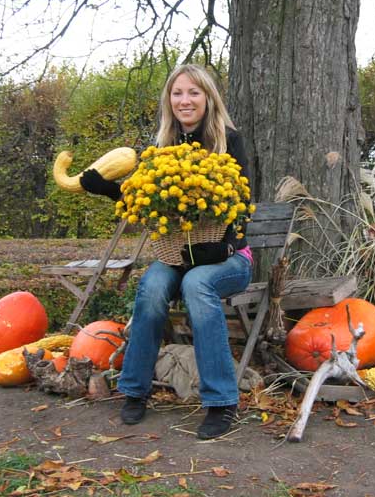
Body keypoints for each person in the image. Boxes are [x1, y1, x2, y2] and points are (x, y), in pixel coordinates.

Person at [79, 63, 253, 440]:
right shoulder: (160, 148)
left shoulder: (230, 141)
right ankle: (135, 391)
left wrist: (224, 241)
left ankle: (221, 401)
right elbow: (146, 204)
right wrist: (107, 188)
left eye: (193, 92)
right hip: (177, 257)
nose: (185, 100)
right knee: (152, 288)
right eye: (177, 93)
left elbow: (242, 203)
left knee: (196, 286)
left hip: (228, 259)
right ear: (169, 100)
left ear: (208, 98)